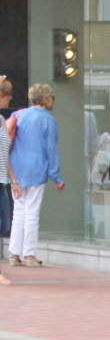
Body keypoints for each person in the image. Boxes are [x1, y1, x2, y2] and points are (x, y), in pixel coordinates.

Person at [9, 83, 63, 267]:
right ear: (45, 99)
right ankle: (29, 254)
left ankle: (14, 253)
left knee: (18, 212)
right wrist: (56, 176)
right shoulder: (48, 120)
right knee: (31, 212)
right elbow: (51, 149)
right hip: (36, 170)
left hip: (16, 170)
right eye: (52, 97)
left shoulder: (18, 114)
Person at [0, 76, 13, 283]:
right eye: (8, 95)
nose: (10, 99)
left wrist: (13, 179)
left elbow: (5, 153)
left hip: (2, 180)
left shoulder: (2, 120)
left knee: (4, 223)